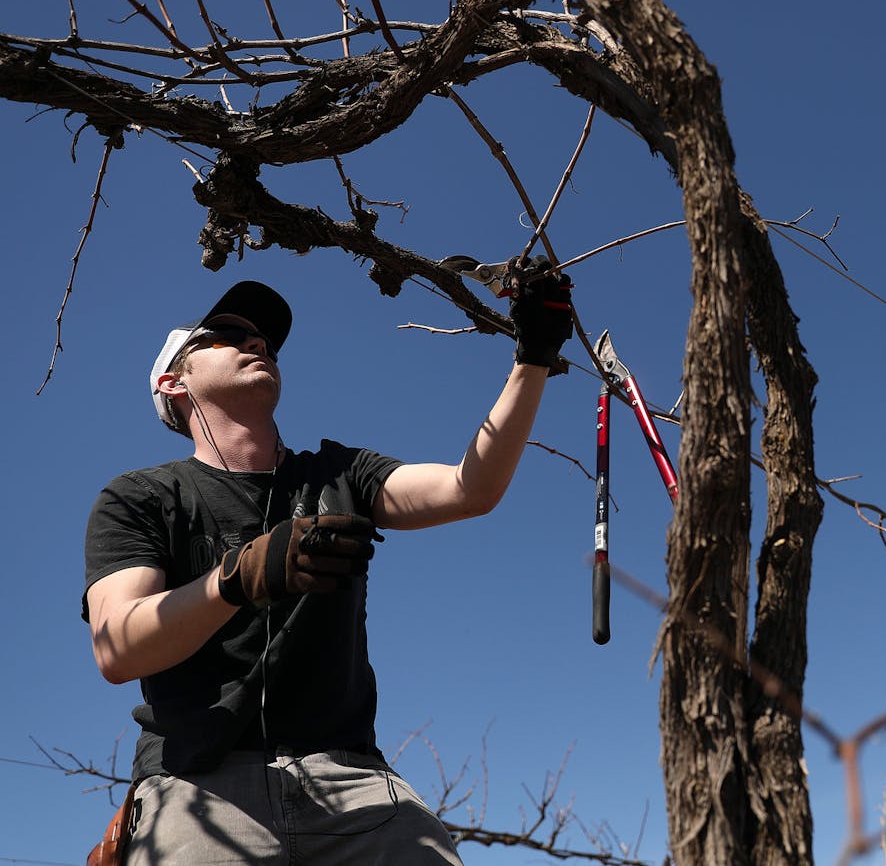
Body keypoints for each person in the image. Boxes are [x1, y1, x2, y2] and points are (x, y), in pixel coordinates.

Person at [82, 270, 572, 864]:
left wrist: (534, 357)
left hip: (354, 782)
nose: (256, 342)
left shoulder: (341, 473)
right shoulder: (141, 496)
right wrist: (241, 577)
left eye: (263, 339)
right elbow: (118, 647)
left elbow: (471, 489)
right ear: (173, 380)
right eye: (225, 335)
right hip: (197, 784)